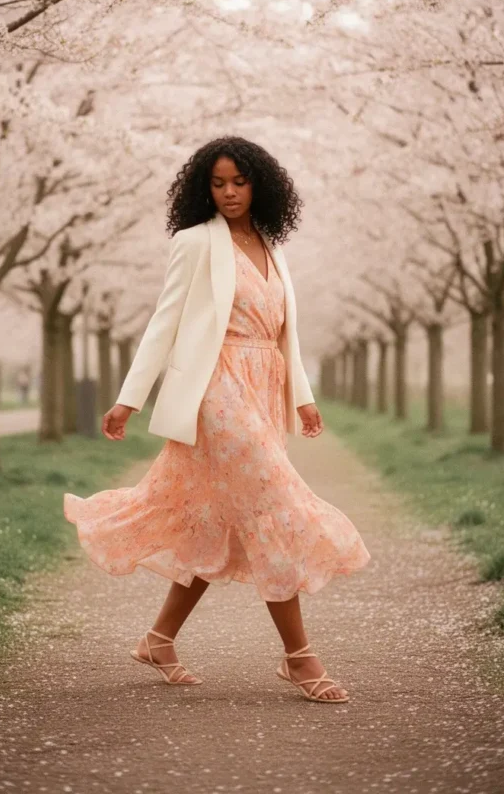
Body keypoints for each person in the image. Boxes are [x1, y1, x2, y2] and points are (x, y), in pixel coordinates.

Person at [64, 137, 371, 704]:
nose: (228, 193)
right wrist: (129, 399)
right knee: (271, 505)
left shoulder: (272, 248)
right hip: (215, 388)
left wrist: (301, 397)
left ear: (261, 186)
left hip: (262, 387)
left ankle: (159, 640)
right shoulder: (194, 243)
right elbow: (164, 323)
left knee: (216, 521)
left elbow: (284, 332)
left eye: (239, 182)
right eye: (218, 183)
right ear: (203, 188)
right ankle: (300, 658)